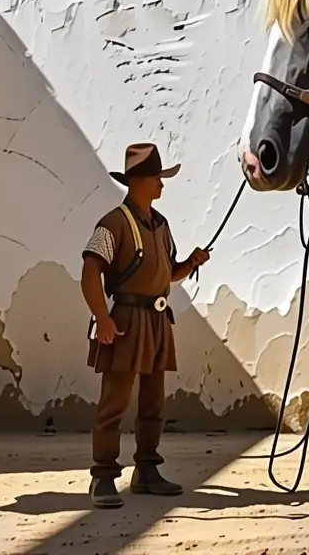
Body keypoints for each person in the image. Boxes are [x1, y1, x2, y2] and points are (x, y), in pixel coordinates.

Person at [80, 143, 211, 509]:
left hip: (157, 321)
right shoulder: (112, 224)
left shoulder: (161, 225)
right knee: (115, 402)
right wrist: (103, 319)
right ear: (139, 181)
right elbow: (90, 274)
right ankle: (103, 476)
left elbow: (168, 274)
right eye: (157, 178)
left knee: (154, 402)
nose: (162, 185)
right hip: (123, 322)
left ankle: (147, 471)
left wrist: (191, 262)